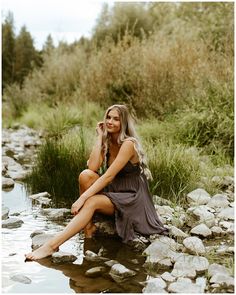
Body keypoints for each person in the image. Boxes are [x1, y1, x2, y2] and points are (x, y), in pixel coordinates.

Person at [25, 104, 168, 261]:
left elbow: (107, 176)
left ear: (124, 123)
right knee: (85, 175)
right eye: (108, 117)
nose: (110, 122)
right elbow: (92, 167)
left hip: (132, 196)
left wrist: (82, 199)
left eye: (116, 119)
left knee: (91, 201)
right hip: (116, 189)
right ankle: (88, 228)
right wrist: (100, 137)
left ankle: (51, 246)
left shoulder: (128, 144)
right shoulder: (107, 141)